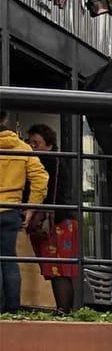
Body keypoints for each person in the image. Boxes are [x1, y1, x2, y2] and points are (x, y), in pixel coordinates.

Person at [23, 124, 78, 312]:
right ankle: (64, 311)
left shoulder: (46, 161)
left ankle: (63, 311)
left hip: (57, 222)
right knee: (59, 270)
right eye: (30, 143)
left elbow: (47, 190)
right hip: (64, 220)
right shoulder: (58, 160)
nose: (32, 147)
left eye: (36, 143)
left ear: (49, 144)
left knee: (58, 270)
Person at [0, 118, 50, 313]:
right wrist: (30, 208)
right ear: (5, 119)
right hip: (11, 210)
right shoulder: (22, 147)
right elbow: (40, 178)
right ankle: (11, 310)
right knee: (9, 259)